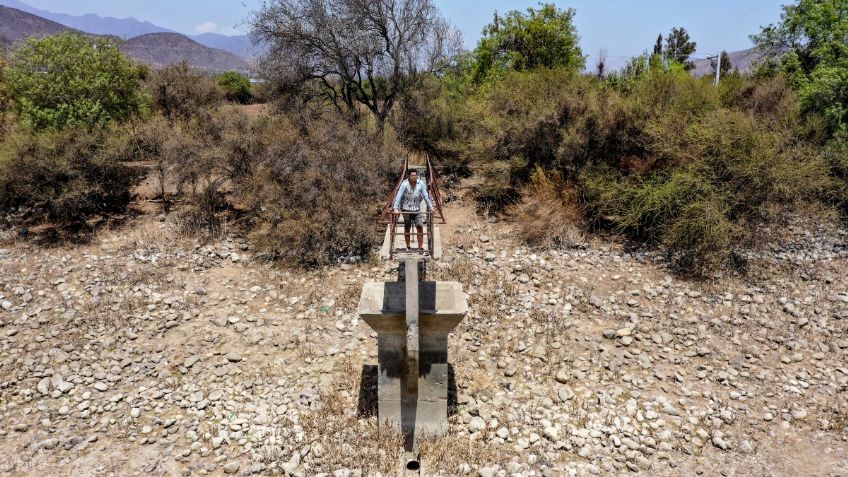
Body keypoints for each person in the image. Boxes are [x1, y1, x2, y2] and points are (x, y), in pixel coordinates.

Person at [392, 168, 433, 252]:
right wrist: (395, 208)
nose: (414, 177)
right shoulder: (404, 184)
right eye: (412, 175)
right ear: (408, 176)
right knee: (407, 228)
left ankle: (420, 247)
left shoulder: (420, 183)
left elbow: (425, 196)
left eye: (415, 175)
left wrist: (431, 207)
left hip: (417, 209)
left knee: (420, 227)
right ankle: (408, 246)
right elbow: (398, 196)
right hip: (406, 209)